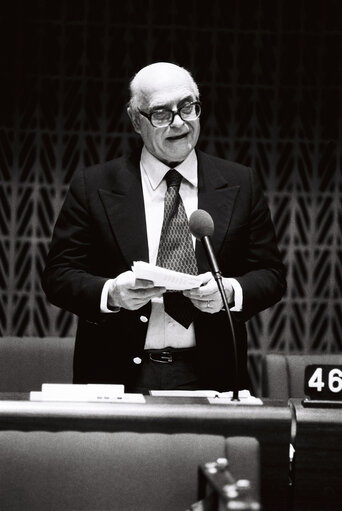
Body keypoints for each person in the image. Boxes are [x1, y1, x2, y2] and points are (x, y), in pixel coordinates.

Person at [42, 62, 286, 393]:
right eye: (161, 113)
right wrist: (112, 293)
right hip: (116, 374)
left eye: (188, 107)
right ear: (135, 120)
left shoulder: (241, 182)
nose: (179, 122)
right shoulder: (94, 184)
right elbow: (59, 275)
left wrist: (230, 292)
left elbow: (270, 275)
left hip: (212, 372)